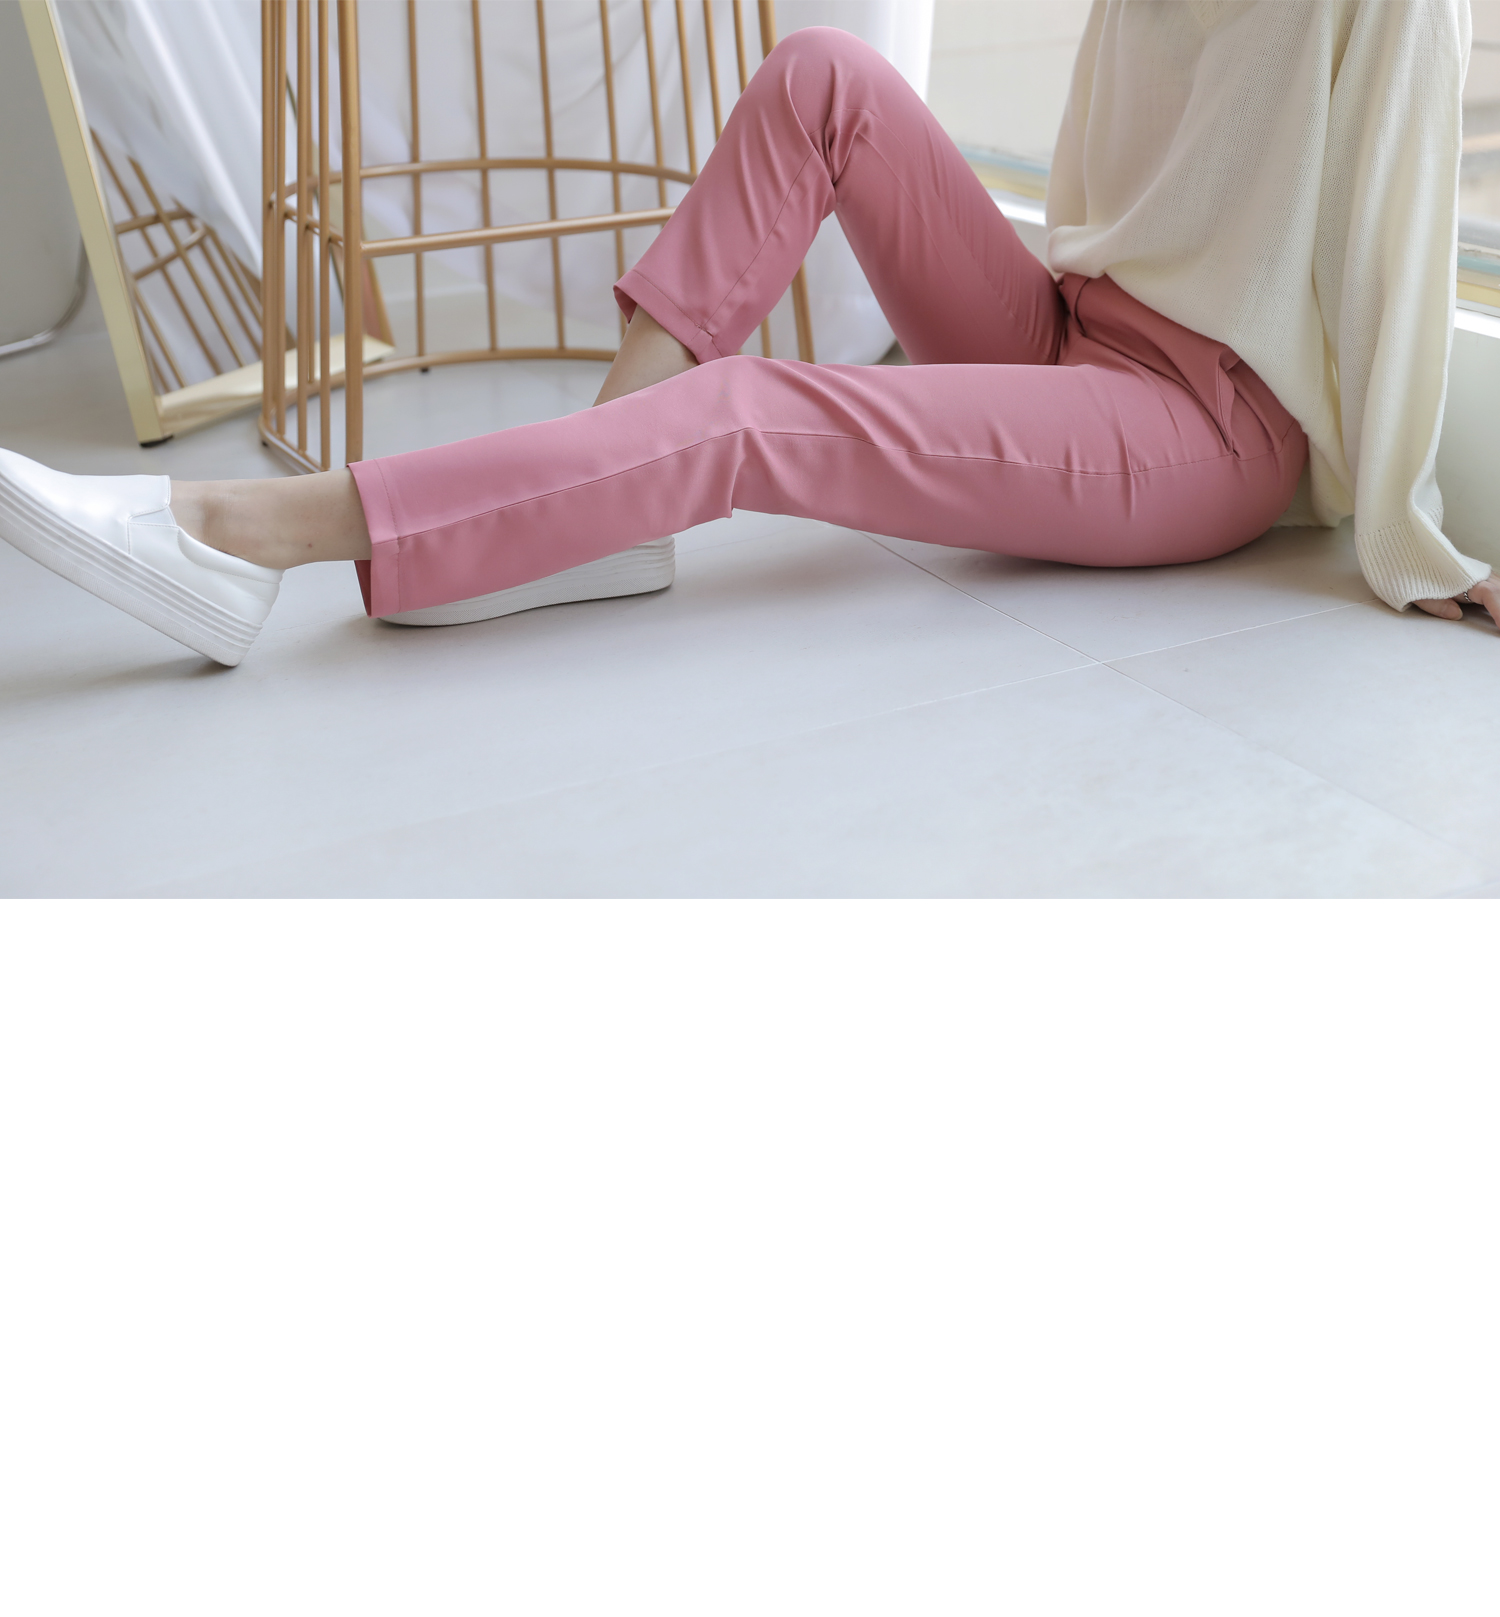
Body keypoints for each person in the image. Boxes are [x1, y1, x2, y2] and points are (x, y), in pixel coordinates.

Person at [2, 8, 1495, 667]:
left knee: (758, 408)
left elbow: (1392, 233)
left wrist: (1410, 531)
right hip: (1066, 327)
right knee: (823, 74)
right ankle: (599, 501)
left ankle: (237, 537)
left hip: (1199, 421)